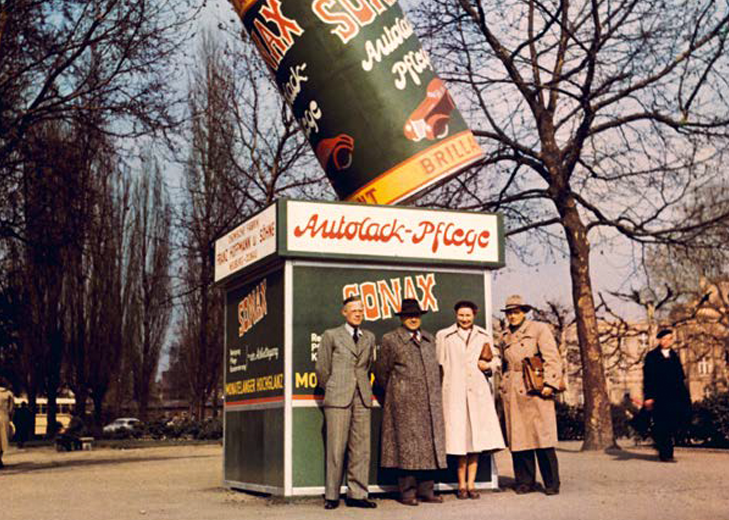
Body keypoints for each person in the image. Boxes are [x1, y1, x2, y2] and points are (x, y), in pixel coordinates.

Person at [375, 298, 447, 506]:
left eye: (416, 315)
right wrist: (398, 392)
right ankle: (407, 493)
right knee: (405, 449)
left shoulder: (430, 339)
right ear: (401, 318)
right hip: (403, 404)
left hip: (428, 403)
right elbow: (381, 372)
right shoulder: (391, 339)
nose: (413, 319)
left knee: (428, 448)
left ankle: (427, 490)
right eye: (408, 316)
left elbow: (437, 370)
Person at [436, 300, 505, 499]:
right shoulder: (445, 336)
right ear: (456, 315)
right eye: (461, 315)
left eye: (468, 315)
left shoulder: (483, 335)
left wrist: (488, 366)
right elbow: (439, 363)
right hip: (455, 394)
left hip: (477, 394)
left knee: (475, 440)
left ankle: (471, 484)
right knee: (459, 440)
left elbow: (496, 360)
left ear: (474, 315)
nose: (464, 319)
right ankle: (461, 485)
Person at [315, 295, 377, 510]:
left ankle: (357, 494)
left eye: (361, 310)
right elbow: (322, 369)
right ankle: (332, 495)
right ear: (344, 313)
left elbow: (368, 366)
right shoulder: (331, 335)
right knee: (336, 448)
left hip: (362, 397)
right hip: (338, 397)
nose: (358, 314)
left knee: (361, 448)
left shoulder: (369, 337)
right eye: (354, 310)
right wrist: (333, 387)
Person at [499, 295, 562, 496]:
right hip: (513, 389)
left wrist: (550, 383)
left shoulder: (538, 329)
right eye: (509, 313)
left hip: (535, 386)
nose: (512, 316)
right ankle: (525, 482)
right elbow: (502, 362)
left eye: (516, 312)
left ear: (524, 312)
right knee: (519, 438)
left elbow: (552, 356)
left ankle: (551, 483)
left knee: (542, 437)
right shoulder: (504, 335)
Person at [642, 328, 691, 462]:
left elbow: (680, 377)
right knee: (662, 424)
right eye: (664, 339)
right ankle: (666, 454)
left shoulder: (674, 356)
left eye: (669, 339)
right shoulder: (652, 356)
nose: (667, 341)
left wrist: (684, 397)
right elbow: (648, 378)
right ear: (659, 340)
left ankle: (664, 448)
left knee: (673, 423)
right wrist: (648, 397)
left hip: (675, 396)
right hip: (659, 396)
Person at [0, 377, 14, 469]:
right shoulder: (9, 394)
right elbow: (11, 408)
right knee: (3, 439)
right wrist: (11, 419)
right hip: (4, 417)